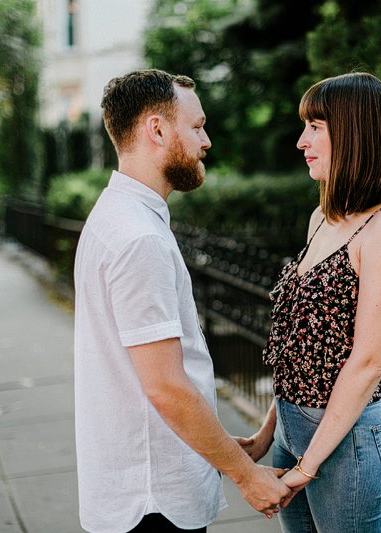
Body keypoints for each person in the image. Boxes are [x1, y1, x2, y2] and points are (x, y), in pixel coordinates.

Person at [73, 69, 290, 533]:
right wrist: (245, 475)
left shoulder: (116, 215)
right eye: (196, 126)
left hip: (140, 480)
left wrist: (223, 450)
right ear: (157, 129)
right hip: (153, 502)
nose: (206, 140)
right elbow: (165, 386)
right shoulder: (139, 238)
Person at [238, 72, 381, 532]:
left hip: (347, 447)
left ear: (357, 132)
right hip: (293, 432)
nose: (302, 141)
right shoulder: (323, 216)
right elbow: (300, 345)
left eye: (316, 127)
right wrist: (268, 435)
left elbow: (367, 361)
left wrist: (308, 467)